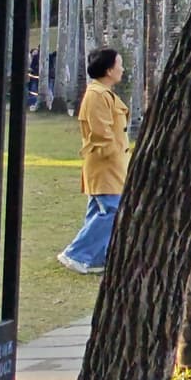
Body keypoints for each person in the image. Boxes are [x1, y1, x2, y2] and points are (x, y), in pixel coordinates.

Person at [58, 47, 130, 272]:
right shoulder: (97, 95)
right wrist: (114, 154)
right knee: (111, 211)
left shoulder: (103, 93)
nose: (122, 69)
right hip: (105, 164)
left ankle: (97, 258)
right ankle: (76, 254)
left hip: (112, 164)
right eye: (119, 64)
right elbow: (101, 133)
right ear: (109, 70)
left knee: (99, 210)